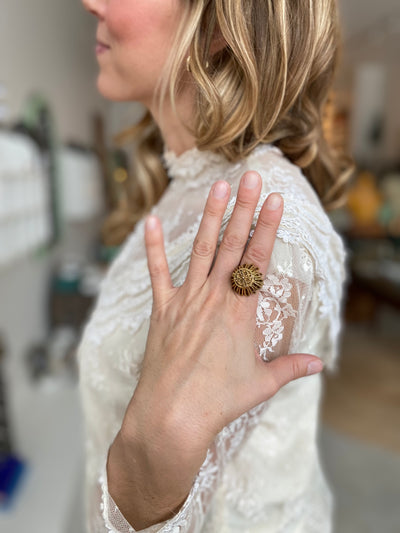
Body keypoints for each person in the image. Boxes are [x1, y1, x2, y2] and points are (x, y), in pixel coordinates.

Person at [78, 1, 351, 532]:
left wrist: (155, 449)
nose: (91, 2)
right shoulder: (181, 190)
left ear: (219, 27)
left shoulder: (268, 226)